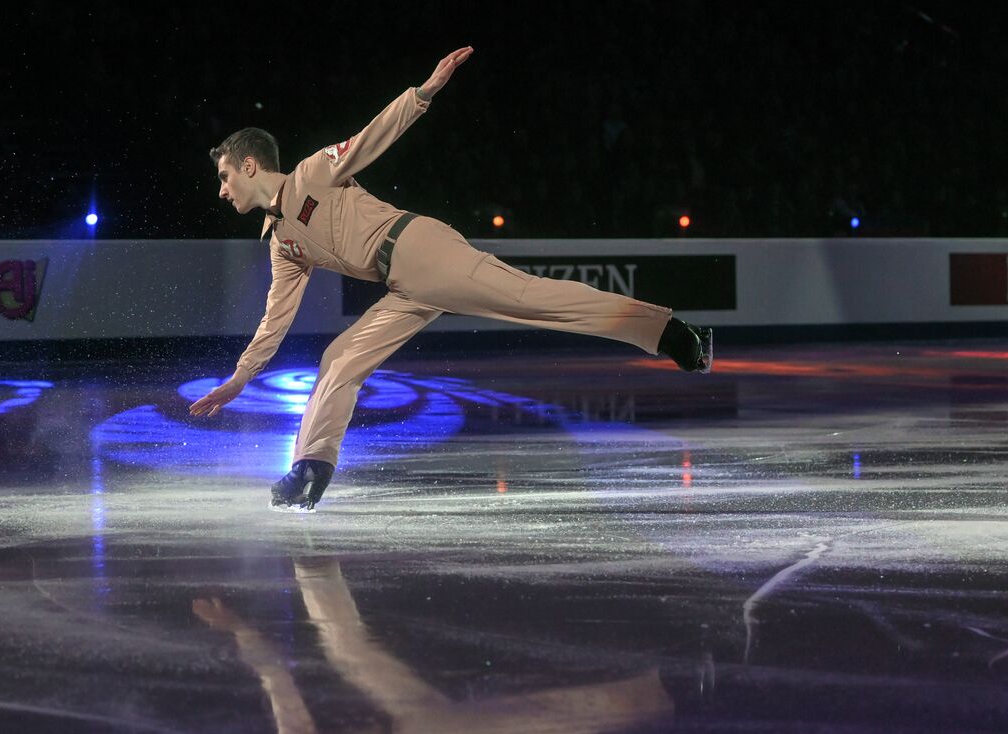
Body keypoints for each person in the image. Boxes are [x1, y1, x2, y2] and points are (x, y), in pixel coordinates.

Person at [191, 46, 712, 510]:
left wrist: (422, 94)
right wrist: (240, 377)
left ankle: (668, 332)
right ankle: (310, 470)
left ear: (251, 166)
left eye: (225, 176)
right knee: (339, 360)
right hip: (402, 288)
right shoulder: (282, 244)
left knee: (532, 298)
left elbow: (371, 138)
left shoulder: (311, 173)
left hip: (421, 250)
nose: (222, 190)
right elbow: (276, 318)